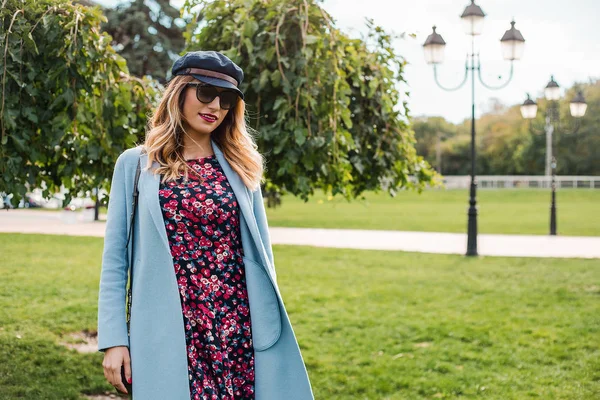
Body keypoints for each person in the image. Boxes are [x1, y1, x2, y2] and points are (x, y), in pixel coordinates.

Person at [97, 51, 315, 400]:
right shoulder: (135, 165)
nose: (215, 104)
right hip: (168, 325)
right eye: (205, 92)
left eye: (226, 99)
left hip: (236, 328)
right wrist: (113, 340)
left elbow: (263, 257)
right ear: (178, 93)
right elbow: (114, 260)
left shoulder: (242, 167)